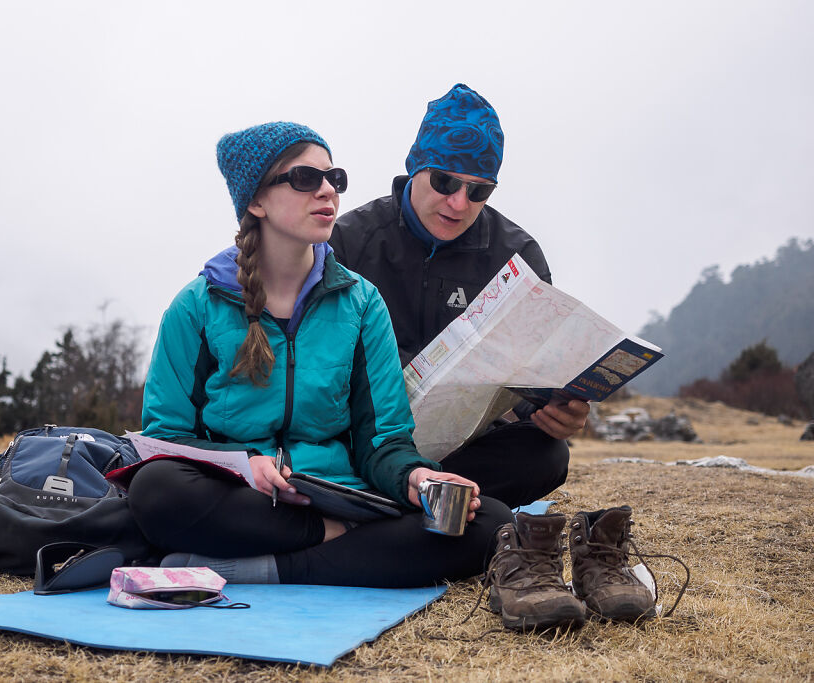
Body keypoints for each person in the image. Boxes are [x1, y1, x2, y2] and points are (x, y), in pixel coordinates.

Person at [126, 121, 514, 588]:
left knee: (487, 520)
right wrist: (245, 461)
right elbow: (167, 436)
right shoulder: (197, 306)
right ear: (256, 201)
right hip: (244, 495)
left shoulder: (363, 303)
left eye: (334, 178)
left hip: (340, 494)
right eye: (305, 179)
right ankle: (341, 542)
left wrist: (414, 479)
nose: (328, 191)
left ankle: (270, 567)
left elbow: (383, 440)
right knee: (157, 490)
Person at [328, 84, 590, 510]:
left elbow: (530, 371)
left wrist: (554, 410)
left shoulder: (517, 256)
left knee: (546, 456)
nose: (458, 202)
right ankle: (411, 498)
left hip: (461, 448)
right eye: (445, 181)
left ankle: (408, 503)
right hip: (366, 436)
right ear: (415, 167)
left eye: (479, 190)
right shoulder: (349, 243)